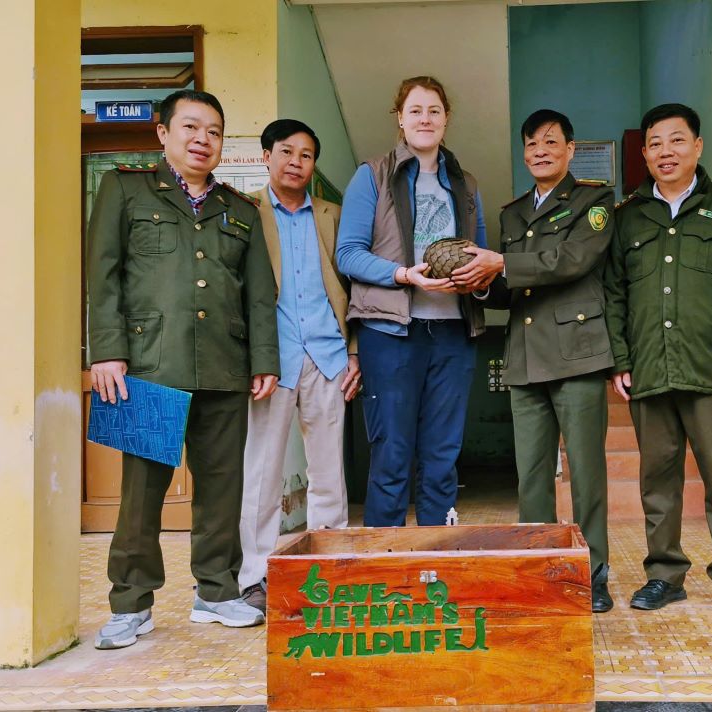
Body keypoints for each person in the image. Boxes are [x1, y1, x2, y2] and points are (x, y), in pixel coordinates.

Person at [87, 89, 280, 649]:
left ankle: (217, 592)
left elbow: (260, 296)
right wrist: (106, 350)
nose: (203, 139)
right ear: (163, 133)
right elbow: (104, 277)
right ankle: (130, 603)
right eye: (191, 127)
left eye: (214, 131)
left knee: (222, 487)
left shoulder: (241, 211)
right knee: (142, 490)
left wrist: (263, 359)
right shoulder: (124, 189)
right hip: (148, 362)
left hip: (225, 363)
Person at [604, 103, 712, 619]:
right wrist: (620, 358)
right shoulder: (628, 215)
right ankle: (664, 573)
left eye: (676, 141)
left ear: (697, 146)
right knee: (658, 476)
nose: (665, 152)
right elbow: (613, 293)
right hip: (650, 368)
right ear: (645, 153)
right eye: (654, 143)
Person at [451, 109, 615, 612]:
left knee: (586, 472)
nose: (540, 151)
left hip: (578, 354)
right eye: (531, 144)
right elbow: (513, 284)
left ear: (570, 149)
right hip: (524, 358)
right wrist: (479, 287)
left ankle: (594, 572)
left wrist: (500, 263)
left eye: (550, 142)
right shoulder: (514, 211)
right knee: (531, 475)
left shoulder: (595, 200)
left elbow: (572, 261)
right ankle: (539, 566)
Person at [336, 76, 491, 527]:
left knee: (442, 454)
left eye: (435, 111)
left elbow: (479, 254)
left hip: (452, 335)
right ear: (399, 119)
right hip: (391, 334)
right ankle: (383, 568)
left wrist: (473, 280)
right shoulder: (372, 175)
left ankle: (435, 562)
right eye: (416, 110)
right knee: (391, 453)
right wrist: (403, 275)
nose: (425, 119)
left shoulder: (466, 185)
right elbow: (348, 254)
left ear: (447, 120)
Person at [237, 119, 360, 613]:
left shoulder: (331, 214)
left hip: (328, 354)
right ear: (266, 156)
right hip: (272, 359)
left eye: (306, 155)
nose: (296, 162)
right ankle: (256, 576)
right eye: (286, 152)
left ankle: (330, 568)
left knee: (329, 472)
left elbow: (349, 284)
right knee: (263, 471)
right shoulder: (246, 211)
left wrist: (354, 350)